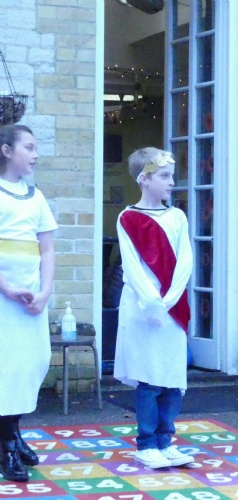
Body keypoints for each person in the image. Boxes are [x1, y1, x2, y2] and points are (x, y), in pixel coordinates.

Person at [114, 147, 194, 469]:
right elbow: (132, 266)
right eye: (164, 176)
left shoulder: (177, 217)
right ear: (144, 179)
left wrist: (170, 300)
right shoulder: (127, 218)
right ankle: (146, 443)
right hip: (142, 309)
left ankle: (166, 440)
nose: (172, 182)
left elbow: (185, 260)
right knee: (149, 379)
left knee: (172, 377)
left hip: (172, 308)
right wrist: (152, 301)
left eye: (171, 175)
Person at [0, 124, 57, 482]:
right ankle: (7, 442)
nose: (35, 155)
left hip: (31, 298)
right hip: (4, 298)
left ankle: (13, 431)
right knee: (5, 366)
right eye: (29, 147)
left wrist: (45, 291)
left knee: (31, 362)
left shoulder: (36, 197)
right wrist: (5, 287)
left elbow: (46, 248)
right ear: (7, 151)